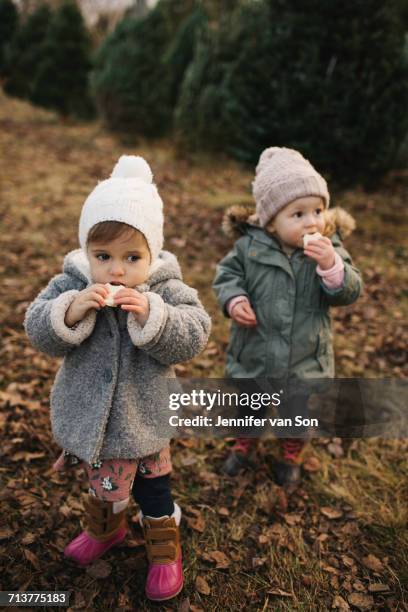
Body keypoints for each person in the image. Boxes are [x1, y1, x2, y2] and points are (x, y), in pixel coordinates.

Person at [24, 155, 211, 601]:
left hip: (145, 419)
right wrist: (70, 309)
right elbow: (36, 327)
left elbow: (196, 331)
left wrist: (155, 316)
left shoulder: (165, 288)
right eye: (103, 256)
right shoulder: (72, 283)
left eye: (132, 257)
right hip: (93, 419)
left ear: (152, 253)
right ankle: (106, 527)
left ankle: (164, 546)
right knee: (103, 482)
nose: (117, 270)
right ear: (86, 252)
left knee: (153, 488)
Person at [213, 147, 362, 485]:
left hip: (303, 354)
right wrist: (234, 299)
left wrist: (331, 268)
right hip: (256, 349)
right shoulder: (249, 248)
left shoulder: (330, 249)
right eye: (298, 214)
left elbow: (350, 291)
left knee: (295, 408)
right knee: (251, 402)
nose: (312, 221)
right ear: (271, 223)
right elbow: (226, 275)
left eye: (318, 210)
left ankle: (291, 450)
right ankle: (244, 442)